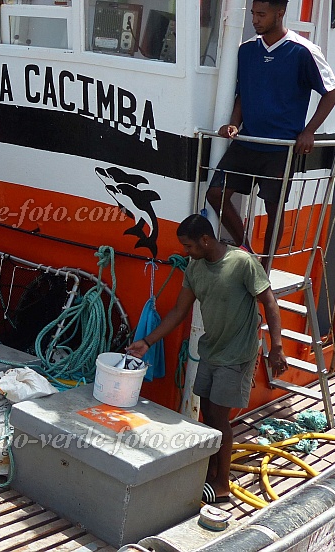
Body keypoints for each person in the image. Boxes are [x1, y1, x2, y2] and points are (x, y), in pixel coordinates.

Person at [126, 214, 287, 504]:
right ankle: (211, 470)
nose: (185, 252)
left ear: (205, 239)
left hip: (237, 354)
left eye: (188, 246)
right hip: (210, 350)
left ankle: (222, 484)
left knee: (218, 417)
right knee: (207, 414)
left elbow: (270, 303)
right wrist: (146, 342)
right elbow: (179, 311)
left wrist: (276, 346)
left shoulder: (243, 263)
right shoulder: (195, 268)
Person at [207, 0, 335, 257]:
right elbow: (243, 94)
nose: (255, 20)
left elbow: (332, 92)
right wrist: (234, 123)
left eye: (261, 15)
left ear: (279, 14)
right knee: (215, 194)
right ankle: (246, 248)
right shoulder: (246, 50)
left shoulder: (304, 51)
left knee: (274, 208)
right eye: (253, 14)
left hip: (281, 148)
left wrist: (309, 131)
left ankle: (264, 265)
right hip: (248, 141)